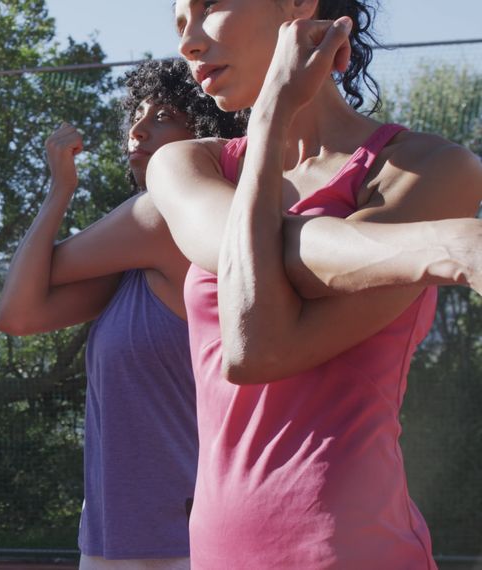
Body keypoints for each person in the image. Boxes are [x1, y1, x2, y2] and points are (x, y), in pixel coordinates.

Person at [148, 1, 482, 567]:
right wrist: (446, 246)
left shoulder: (428, 168)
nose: (190, 42)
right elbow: (245, 282)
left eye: (210, 6)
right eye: (180, 24)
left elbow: (259, 344)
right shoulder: (183, 166)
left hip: (354, 548)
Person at [0, 59, 245, 570]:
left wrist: (59, 188)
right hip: (113, 537)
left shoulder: (156, 220)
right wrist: (59, 192)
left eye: (163, 116)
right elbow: (17, 314)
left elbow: (24, 286)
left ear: (205, 132)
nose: (137, 129)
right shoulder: (130, 261)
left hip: (185, 542)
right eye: (137, 114)